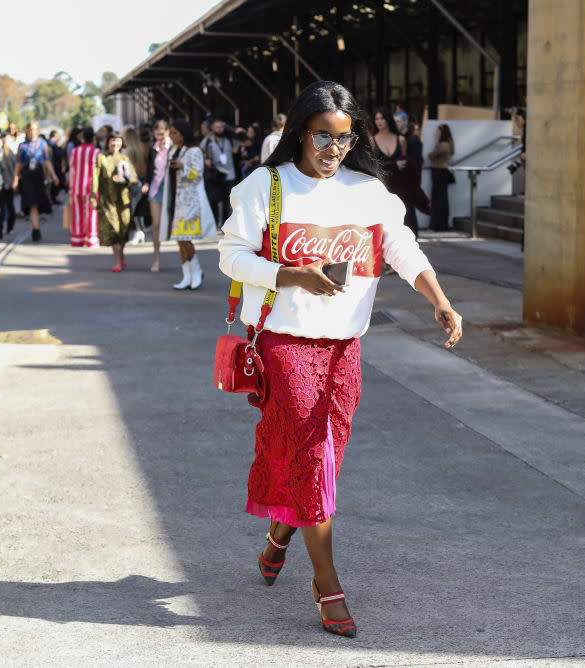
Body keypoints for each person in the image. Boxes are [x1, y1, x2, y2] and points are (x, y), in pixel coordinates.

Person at [218, 80, 463, 639]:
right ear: (301, 132)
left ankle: (282, 531)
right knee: (309, 453)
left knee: (324, 456)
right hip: (286, 342)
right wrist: (289, 274)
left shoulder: (367, 191)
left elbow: (401, 246)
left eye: (344, 139)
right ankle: (327, 585)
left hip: (345, 347)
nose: (333, 149)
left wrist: (440, 300)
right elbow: (230, 254)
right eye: (322, 136)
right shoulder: (268, 187)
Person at [159, 118, 216, 289]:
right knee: (179, 240)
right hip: (175, 199)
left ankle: (196, 271)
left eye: (175, 132)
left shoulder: (194, 151)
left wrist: (183, 167)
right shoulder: (175, 150)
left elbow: (198, 174)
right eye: (171, 133)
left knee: (185, 238)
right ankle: (187, 275)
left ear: (183, 134)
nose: (172, 135)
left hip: (189, 201)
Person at [373, 107, 429, 239]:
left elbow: (405, 161)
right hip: (383, 187)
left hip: (401, 187)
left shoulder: (401, 139)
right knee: (385, 226)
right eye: (377, 119)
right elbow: (373, 166)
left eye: (382, 118)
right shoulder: (372, 140)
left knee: (407, 220)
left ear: (388, 120)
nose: (379, 121)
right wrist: (393, 165)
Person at [90, 133, 137, 271]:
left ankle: (121, 255)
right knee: (114, 229)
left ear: (122, 143)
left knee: (123, 230)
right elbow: (95, 176)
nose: (115, 144)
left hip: (123, 200)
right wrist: (93, 196)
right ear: (107, 142)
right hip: (107, 200)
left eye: (117, 141)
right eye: (112, 141)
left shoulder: (125, 158)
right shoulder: (101, 157)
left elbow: (133, 178)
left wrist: (124, 179)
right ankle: (117, 261)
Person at [12, 121, 59, 242]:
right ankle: (36, 229)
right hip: (27, 175)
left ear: (37, 131)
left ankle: (35, 226)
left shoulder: (42, 143)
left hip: (38, 174)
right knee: (32, 204)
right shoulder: (22, 146)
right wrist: (15, 179)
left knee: (37, 203)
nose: (32, 132)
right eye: (30, 129)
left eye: (34, 129)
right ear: (27, 131)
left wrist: (53, 175)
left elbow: (46, 160)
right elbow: (19, 164)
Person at [144, 119, 172, 272]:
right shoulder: (153, 149)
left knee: (172, 224)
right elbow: (149, 169)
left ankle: (186, 260)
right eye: (157, 134)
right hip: (155, 188)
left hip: (171, 188)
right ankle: (156, 258)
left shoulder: (173, 148)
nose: (160, 137)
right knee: (156, 225)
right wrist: (146, 183)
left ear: (167, 132)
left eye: (162, 133)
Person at [201, 119, 235, 227]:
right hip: (215, 175)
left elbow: (238, 135)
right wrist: (205, 160)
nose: (219, 129)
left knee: (227, 201)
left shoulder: (229, 139)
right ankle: (214, 223)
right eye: (217, 127)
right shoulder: (207, 142)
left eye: (221, 127)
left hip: (229, 175)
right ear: (212, 128)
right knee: (213, 200)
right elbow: (199, 154)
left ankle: (225, 225)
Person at [69, 126, 99, 247]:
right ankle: (91, 238)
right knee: (91, 213)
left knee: (77, 213)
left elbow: (72, 170)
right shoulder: (96, 152)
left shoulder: (75, 151)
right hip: (91, 188)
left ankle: (77, 239)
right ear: (93, 138)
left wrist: (71, 188)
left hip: (76, 187)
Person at [122, 126, 148, 245]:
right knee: (137, 209)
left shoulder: (124, 152)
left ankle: (137, 233)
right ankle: (140, 232)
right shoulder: (140, 150)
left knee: (131, 210)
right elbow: (143, 170)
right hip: (138, 183)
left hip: (127, 183)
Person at [427, 124, 455, 231]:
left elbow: (431, 156)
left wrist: (431, 154)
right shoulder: (449, 144)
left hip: (439, 172)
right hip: (442, 171)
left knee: (438, 199)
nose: (437, 133)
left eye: (439, 131)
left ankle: (438, 225)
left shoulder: (442, 145)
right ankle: (442, 224)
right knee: (442, 198)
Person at [0, 133, 16, 235]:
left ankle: (10, 227)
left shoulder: (10, 152)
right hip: (1, 183)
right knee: (1, 205)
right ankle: (0, 228)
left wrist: (14, 181)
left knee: (9, 206)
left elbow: (14, 168)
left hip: (8, 183)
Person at [48, 130, 64, 204]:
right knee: (54, 184)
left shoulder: (50, 143)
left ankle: (53, 198)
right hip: (54, 166)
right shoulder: (53, 144)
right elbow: (58, 155)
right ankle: (54, 198)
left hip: (53, 165)